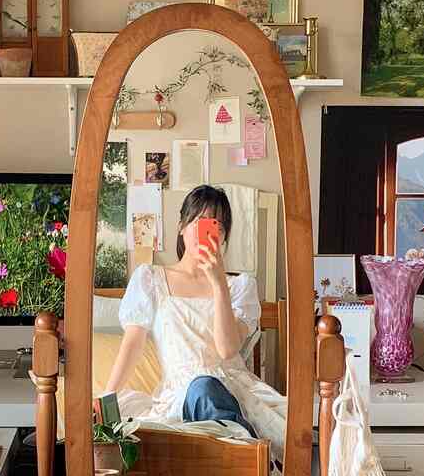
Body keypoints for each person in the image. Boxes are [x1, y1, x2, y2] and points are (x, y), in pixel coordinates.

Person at [105, 185, 288, 459]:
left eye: (216, 226)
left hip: (230, 388)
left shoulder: (238, 286)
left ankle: (237, 449)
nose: (206, 232)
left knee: (207, 387)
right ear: (181, 226)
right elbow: (132, 346)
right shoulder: (151, 279)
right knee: (200, 388)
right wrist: (106, 400)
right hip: (179, 395)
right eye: (198, 222)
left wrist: (218, 285)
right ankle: (242, 452)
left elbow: (227, 350)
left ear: (223, 235)